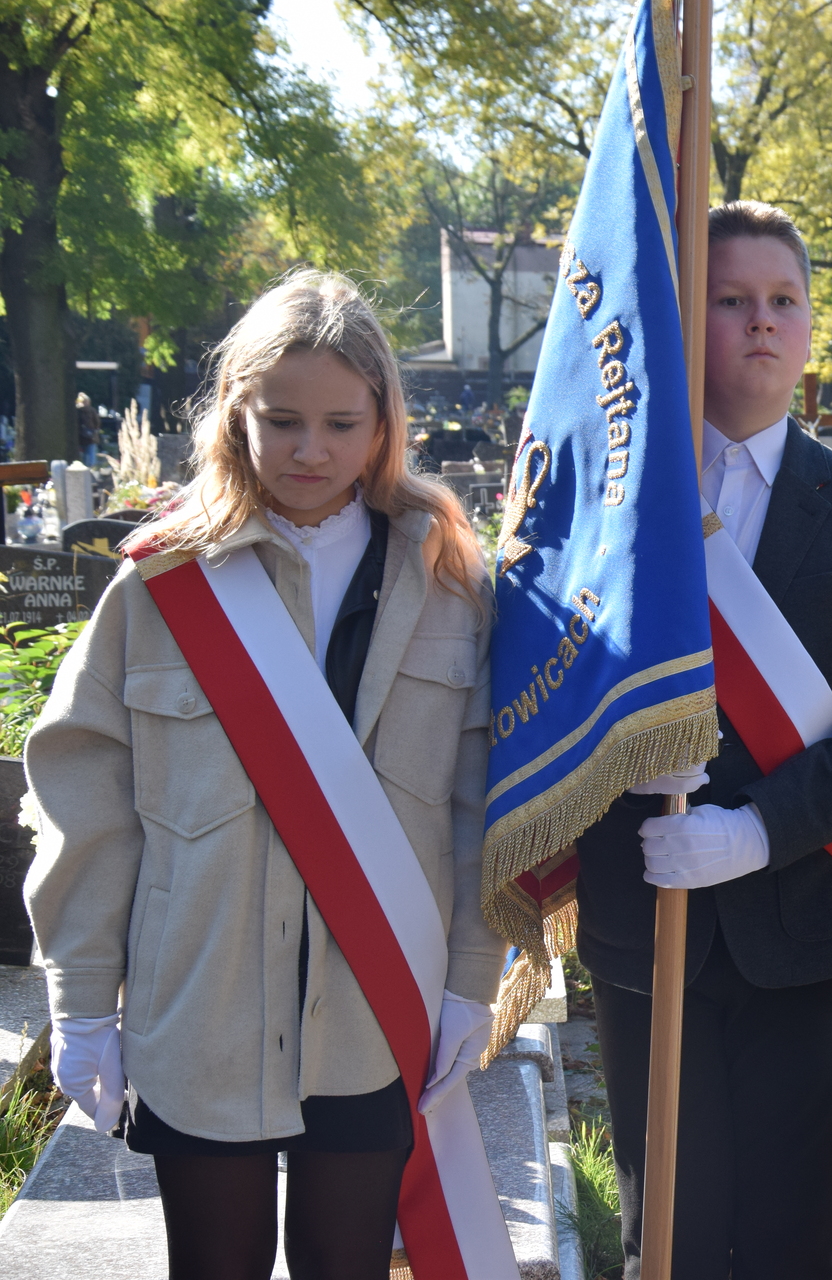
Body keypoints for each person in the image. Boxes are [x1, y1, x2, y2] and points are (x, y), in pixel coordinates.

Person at [25, 271, 504, 1280]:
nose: (310, 448)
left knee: (347, 1265)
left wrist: (470, 978)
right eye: (280, 418)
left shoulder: (448, 583)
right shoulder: (160, 584)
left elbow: (476, 798)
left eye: (341, 421)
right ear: (234, 411)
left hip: (376, 1004)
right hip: (199, 1009)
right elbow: (87, 796)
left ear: (384, 423)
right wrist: (79, 997)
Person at [573, 201, 832, 1279]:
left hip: (804, 924)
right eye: (730, 300)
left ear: (812, 325)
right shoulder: (613, 497)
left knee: (783, 1240)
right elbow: (550, 687)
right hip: (647, 916)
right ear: (687, 320)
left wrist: (754, 830)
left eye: (783, 300)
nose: (761, 322)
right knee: (667, 1237)